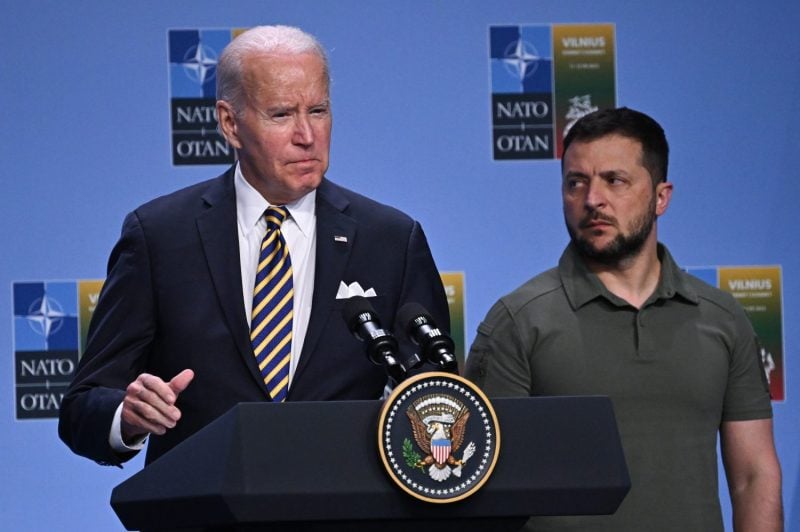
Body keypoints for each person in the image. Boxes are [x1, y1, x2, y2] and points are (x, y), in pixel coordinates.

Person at [59, 25, 449, 467]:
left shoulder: (391, 239)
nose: (307, 135)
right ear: (230, 123)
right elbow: (81, 407)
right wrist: (126, 418)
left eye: (318, 110)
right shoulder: (160, 237)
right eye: (281, 115)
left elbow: (437, 400)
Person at [465, 107, 782, 531]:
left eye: (614, 180)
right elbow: (479, 487)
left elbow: (753, 476)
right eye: (576, 183)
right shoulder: (519, 321)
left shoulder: (724, 319)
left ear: (661, 197)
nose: (592, 199)